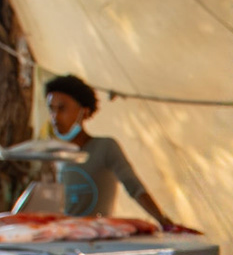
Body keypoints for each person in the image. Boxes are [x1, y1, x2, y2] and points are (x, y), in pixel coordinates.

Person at [43, 74, 177, 228]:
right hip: (66, 237)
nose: (55, 117)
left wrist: (162, 220)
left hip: (98, 241)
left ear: (84, 112)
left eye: (62, 108)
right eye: (51, 109)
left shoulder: (105, 147)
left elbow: (134, 187)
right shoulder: (58, 154)